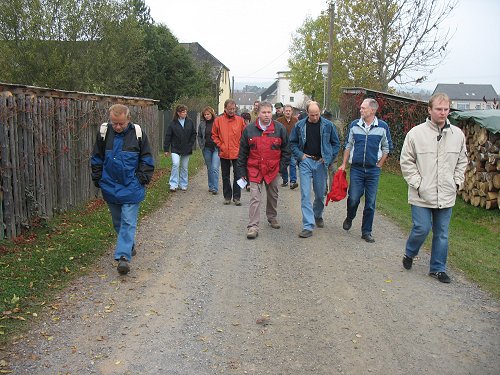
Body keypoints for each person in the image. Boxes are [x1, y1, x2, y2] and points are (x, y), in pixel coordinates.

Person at [400, 93, 467, 283]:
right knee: (421, 228)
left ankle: (437, 268)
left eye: (446, 109)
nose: (443, 113)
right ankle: (410, 253)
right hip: (421, 193)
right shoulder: (416, 134)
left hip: (446, 193)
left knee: (442, 233)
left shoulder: (457, 135)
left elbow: (463, 161)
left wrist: (457, 182)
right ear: (429, 110)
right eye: (439, 109)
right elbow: (406, 161)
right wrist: (418, 183)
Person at [91, 104, 155, 275]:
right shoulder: (104, 133)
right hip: (110, 186)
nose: (117, 127)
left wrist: (142, 178)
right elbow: (97, 157)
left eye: (121, 123)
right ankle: (129, 244)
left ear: (128, 119)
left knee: (128, 221)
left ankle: (123, 258)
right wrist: (98, 178)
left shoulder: (138, 134)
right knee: (118, 222)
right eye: (114, 123)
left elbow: (147, 158)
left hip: (132, 186)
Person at [339, 98, 391, 243]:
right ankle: (350, 217)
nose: (360, 110)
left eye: (363, 108)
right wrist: (344, 164)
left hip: (373, 171)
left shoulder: (382, 127)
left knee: (370, 202)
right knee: (354, 198)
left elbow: (387, 147)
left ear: (372, 110)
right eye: (361, 108)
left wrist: (380, 163)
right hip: (356, 169)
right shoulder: (354, 125)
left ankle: (366, 231)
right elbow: (348, 145)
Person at [236, 102, 290, 239]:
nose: (266, 115)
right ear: (258, 113)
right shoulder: (249, 130)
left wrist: (280, 169)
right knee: (255, 198)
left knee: (273, 195)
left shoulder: (280, 129)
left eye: (268, 112)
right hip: (254, 169)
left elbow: (286, 151)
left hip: (273, 169)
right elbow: (242, 153)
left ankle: (272, 217)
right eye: (264, 112)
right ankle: (253, 226)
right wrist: (242, 173)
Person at [290, 101, 340, 238]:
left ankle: (317, 214)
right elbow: (292, 143)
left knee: (319, 194)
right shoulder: (299, 126)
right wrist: (300, 156)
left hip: (320, 163)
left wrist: (328, 158)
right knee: (305, 194)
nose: (315, 117)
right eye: (312, 115)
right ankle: (308, 225)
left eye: (317, 114)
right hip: (306, 162)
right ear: (307, 113)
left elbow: (336, 144)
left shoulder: (328, 126)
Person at [212, 99, 247, 205]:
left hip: (237, 153)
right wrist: (220, 145)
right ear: (225, 109)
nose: (232, 111)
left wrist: (241, 147)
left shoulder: (240, 120)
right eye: (230, 109)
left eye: (233, 109)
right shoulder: (218, 120)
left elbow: (245, 135)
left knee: (238, 175)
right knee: (225, 176)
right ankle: (227, 196)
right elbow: (214, 135)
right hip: (224, 152)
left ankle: (237, 197)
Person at [163, 104, 196, 192]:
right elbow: (168, 136)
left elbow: (194, 134)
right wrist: (166, 149)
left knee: (184, 167)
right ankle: (173, 184)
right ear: (178, 113)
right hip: (175, 148)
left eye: (185, 112)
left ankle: (183, 184)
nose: (185, 113)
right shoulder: (173, 123)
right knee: (175, 164)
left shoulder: (190, 122)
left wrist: (191, 144)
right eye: (183, 112)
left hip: (187, 148)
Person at [197, 106, 220, 195]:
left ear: (212, 114)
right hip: (206, 148)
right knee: (209, 168)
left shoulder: (217, 122)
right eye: (205, 114)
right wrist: (201, 144)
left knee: (215, 168)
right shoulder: (202, 124)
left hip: (216, 148)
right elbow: (199, 135)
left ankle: (215, 187)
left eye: (208, 114)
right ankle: (211, 186)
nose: (206, 116)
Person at [277, 104, 298, 189]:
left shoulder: (296, 120)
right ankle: (285, 180)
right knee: (284, 164)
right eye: (286, 111)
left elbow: (298, 132)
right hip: (283, 146)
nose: (288, 112)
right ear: (284, 111)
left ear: (292, 112)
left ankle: (293, 181)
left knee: (293, 163)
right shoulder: (279, 121)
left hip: (293, 145)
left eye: (289, 111)